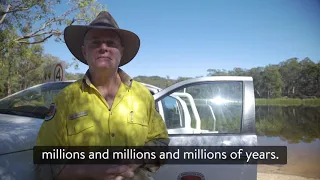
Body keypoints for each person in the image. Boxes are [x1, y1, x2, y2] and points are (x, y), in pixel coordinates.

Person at [35, 11, 170, 180]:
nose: (103, 47)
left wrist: (134, 161)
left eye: (111, 43)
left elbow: (161, 142)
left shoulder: (143, 95)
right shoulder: (66, 99)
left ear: (121, 51)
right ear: (84, 52)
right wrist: (89, 171)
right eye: (95, 42)